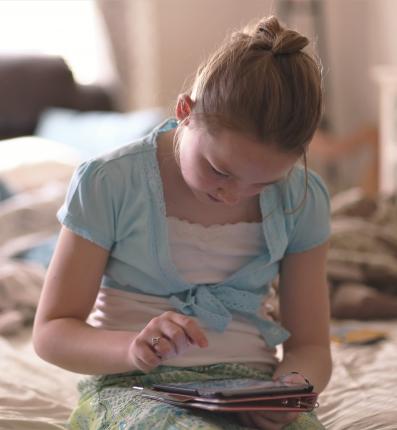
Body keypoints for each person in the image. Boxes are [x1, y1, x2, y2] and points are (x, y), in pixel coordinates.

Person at [33, 16, 332, 430]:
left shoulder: (303, 198)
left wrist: (292, 389)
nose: (234, 194)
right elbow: (51, 332)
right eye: (220, 170)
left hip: (251, 388)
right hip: (134, 386)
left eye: (264, 182)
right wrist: (133, 349)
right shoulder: (109, 182)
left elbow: (312, 345)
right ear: (185, 111)